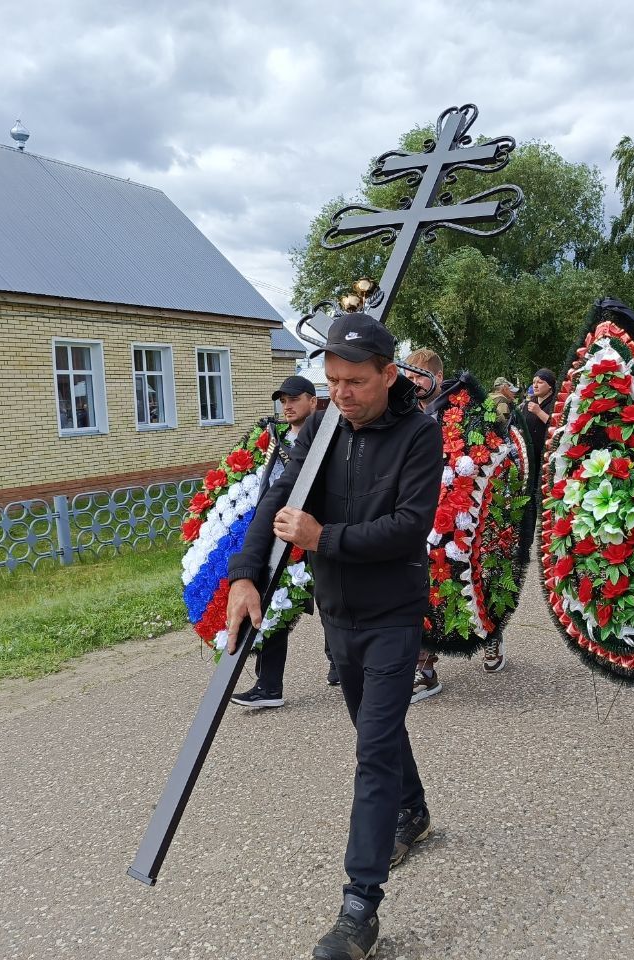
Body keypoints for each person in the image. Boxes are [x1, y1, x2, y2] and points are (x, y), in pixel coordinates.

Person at [224, 313, 443, 960]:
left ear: (386, 373)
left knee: (372, 750)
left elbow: (409, 527)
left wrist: (327, 540)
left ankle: (359, 909)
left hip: (393, 615)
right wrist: (245, 576)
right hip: (339, 614)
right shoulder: (320, 428)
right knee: (375, 730)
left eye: (355, 381)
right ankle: (415, 810)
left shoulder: (417, 436)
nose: (341, 393)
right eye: (332, 381)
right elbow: (278, 498)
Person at [230, 375, 324, 708]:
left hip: (313, 531)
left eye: (294, 399)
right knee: (274, 603)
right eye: (283, 400)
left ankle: (341, 663)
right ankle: (269, 685)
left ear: (313, 401)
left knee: (331, 600)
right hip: (277, 533)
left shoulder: (325, 436)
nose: (287, 405)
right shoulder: (273, 438)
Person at [401, 348, 448, 702]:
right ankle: (424, 668)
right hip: (417, 517)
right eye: (409, 374)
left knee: (462, 589)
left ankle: (491, 636)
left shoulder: (460, 415)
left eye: (419, 375)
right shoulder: (400, 414)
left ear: (437, 379)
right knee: (421, 593)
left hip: (455, 515)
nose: (413, 381)